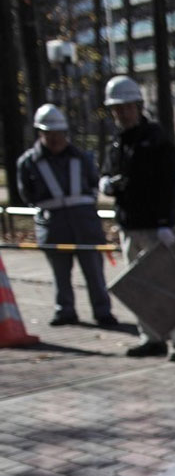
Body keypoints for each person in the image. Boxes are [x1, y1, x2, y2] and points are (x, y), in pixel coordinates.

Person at [100, 75, 175, 362]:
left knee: (167, 285)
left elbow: (169, 183)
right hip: (129, 225)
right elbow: (108, 172)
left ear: (138, 106)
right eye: (117, 109)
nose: (122, 113)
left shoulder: (156, 139)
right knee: (139, 288)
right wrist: (106, 183)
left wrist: (166, 221)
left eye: (127, 107)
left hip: (157, 226)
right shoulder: (116, 142)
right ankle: (151, 338)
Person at [16, 104, 118, 328]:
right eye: (48, 134)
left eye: (58, 134)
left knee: (94, 272)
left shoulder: (81, 157)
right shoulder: (28, 162)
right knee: (60, 274)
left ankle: (102, 311)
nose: (54, 139)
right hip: (53, 225)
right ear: (40, 133)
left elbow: (93, 186)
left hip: (85, 225)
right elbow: (26, 194)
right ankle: (65, 311)